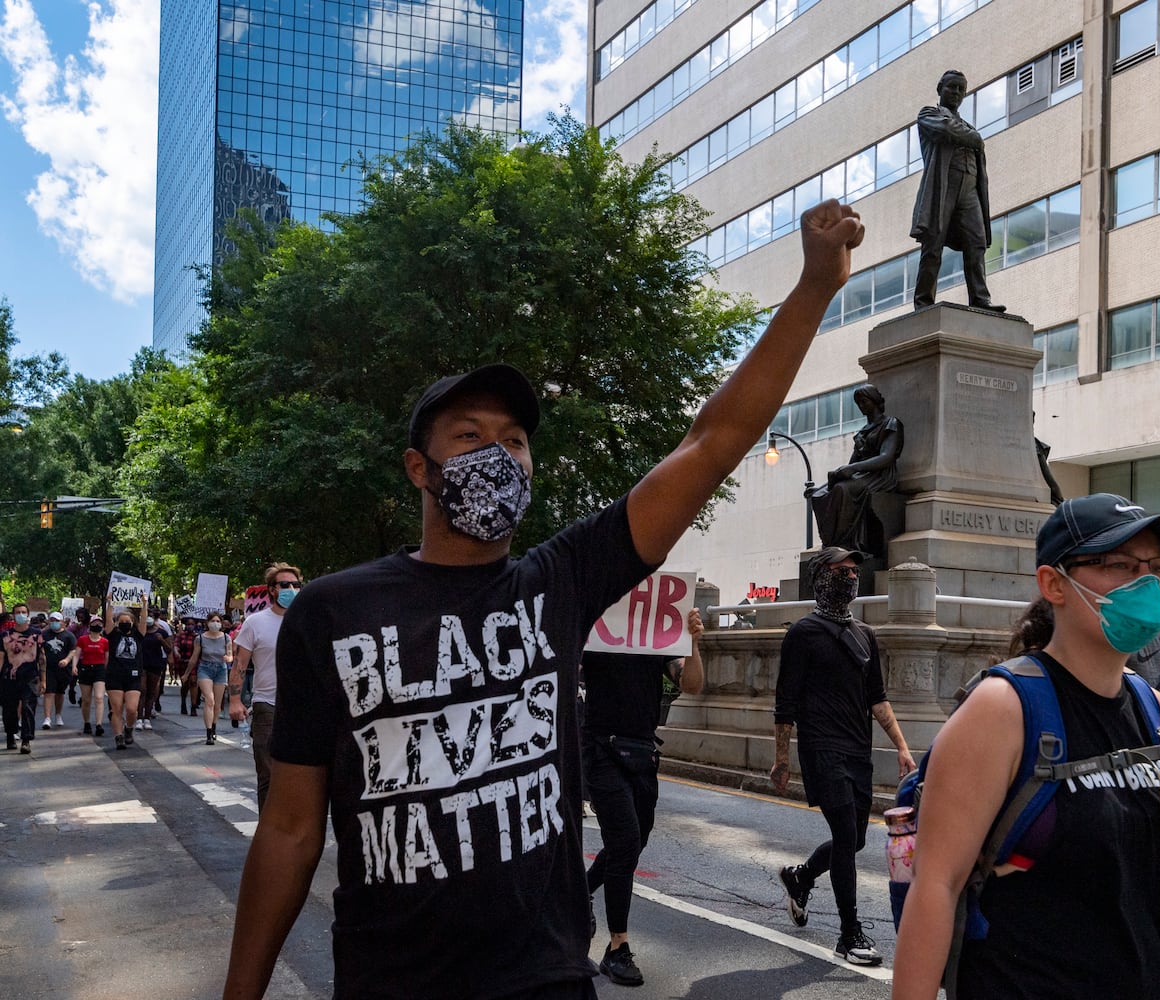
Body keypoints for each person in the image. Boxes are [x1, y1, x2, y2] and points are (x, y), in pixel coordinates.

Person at [223, 198, 864, 1000]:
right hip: (392, 980)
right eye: (469, 436)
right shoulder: (331, 611)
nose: (497, 454)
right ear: (418, 468)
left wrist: (813, 288)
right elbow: (289, 829)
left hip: (546, 978)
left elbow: (714, 440)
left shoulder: (558, 581)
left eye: (515, 441)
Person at [892, 494, 1160, 1000]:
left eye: (1156, 567)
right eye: (1119, 565)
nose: (1147, 583)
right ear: (1053, 584)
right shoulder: (1002, 709)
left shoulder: (1156, 712)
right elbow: (937, 887)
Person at [773, 545, 917, 966]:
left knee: (850, 840)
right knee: (843, 828)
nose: (851, 577)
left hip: (858, 750)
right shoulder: (802, 634)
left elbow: (877, 699)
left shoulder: (864, 635)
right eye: (842, 571)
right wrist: (782, 758)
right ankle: (849, 932)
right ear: (821, 578)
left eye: (855, 570)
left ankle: (800, 878)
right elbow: (786, 703)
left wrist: (903, 747)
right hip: (822, 748)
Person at [580, 607, 704, 987]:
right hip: (599, 749)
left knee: (633, 843)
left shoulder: (656, 634)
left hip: (642, 752)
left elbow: (692, 684)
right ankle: (617, 946)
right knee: (625, 839)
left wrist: (694, 642)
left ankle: (578, 893)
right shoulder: (596, 625)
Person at [909, 70, 1001, 312]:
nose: (957, 93)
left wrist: (972, 137)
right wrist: (973, 137)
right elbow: (947, 130)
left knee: (977, 242)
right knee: (933, 245)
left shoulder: (968, 126)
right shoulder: (929, 114)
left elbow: (971, 143)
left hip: (970, 189)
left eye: (961, 89)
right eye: (952, 87)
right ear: (940, 88)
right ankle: (923, 302)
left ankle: (980, 299)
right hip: (943, 186)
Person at [228, 563, 302, 809]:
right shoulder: (255, 623)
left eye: (296, 585)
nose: (291, 589)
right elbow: (240, 664)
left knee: (301, 775)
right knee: (269, 775)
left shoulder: (310, 621)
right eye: (285, 585)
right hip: (267, 706)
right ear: (271, 590)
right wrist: (235, 701)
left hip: (303, 708)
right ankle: (269, 836)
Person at [805, 384, 903, 553]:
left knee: (842, 490)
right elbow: (851, 464)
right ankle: (829, 543)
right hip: (861, 475)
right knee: (818, 494)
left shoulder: (890, 424)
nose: (861, 406)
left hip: (880, 475)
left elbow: (886, 457)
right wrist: (836, 476)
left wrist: (852, 469)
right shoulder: (862, 432)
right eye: (858, 403)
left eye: (864, 401)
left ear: (875, 400)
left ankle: (844, 544)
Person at [103, 610, 147, 750]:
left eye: (127, 622)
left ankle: (128, 728)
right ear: (117, 623)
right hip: (114, 676)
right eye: (121, 622)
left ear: (133, 623)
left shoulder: (138, 636)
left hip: (133, 677)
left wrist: (144, 604)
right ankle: (119, 736)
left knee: (131, 708)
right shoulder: (113, 635)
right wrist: (109, 603)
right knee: (116, 708)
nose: (125, 624)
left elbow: (144, 620)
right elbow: (108, 620)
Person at [192, 613, 232, 746]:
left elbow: (230, 655)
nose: (215, 623)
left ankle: (214, 726)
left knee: (217, 704)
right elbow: (194, 657)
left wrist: (228, 658)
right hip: (205, 668)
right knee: (210, 700)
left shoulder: (226, 638)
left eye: (218, 621)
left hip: (221, 669)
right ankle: (208, 733)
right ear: (207, 623)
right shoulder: (200, 639)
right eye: (213, 621)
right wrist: (187, 673)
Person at [1, 625, 43, 753]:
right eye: (18, 612)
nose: (21, 615)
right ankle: (10, 734)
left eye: (23, 612)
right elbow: (1, 657)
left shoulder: (36, 634)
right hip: (9, 678)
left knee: (28, 707)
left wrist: (44, 679)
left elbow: (41, 658)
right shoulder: (5, 635)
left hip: (30, 677)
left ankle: (26, 740)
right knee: (9, 709)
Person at [39, 612, 79, 731]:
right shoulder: (44, 634)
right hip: (48, 668)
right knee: (49, 692)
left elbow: (73, 650)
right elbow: (39, 648)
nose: (54, 623)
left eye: (56, 620)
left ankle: (58, 714)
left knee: (60, 693)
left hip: (63, 669)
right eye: (52, 620)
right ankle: (47, 718)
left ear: (62, 622)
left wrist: (67, 660)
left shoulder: (69, 636)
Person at [137, 610, 171, 732]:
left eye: (151, 616)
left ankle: (147, 718)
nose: (149, 619)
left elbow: (169, 649)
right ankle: (139, 718)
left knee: (151, 692)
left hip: (155, 665)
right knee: (142, 691)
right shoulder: (139, 632)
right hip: (141, 665)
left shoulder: (162, 632)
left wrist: (161, 640)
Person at [76, 616, 109, 736]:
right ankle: (87, 722)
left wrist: (105, 671)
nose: (97, 625)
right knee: (86, 699)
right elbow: (77, 654)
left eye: (99, 623)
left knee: (99, 697)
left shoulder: (105, 642)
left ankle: (99, 723)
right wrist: (74, 666)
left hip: (99, 669)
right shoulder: (83, 639)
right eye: (95, 623)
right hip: (85, 668)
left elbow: (106, 658)